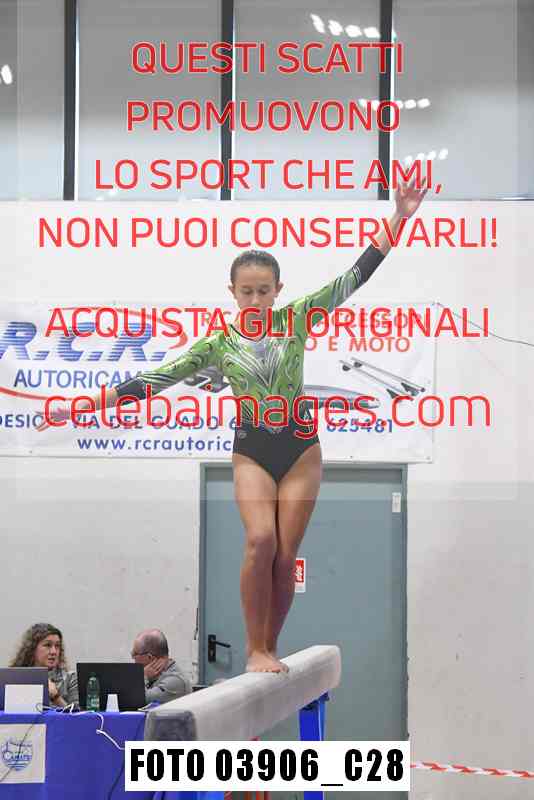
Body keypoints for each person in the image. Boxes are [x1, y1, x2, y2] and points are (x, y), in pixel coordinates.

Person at [39, 180, 427, 673]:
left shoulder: (297, 318)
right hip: (253, 449)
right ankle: (254, 648)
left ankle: (269, 645)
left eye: (264, 291)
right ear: (233, 292)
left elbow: (355, 276)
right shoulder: (218, 343)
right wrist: (83, 406)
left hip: (301, 447)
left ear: (278, 290)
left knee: (285, 556)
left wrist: (400, 215)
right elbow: (155, 379)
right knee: (260, 540)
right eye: (247, 292)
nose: (256, 299)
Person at [9, 623, 79, 707]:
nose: (54, 652)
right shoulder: (13, 677)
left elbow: (78, 714)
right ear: (32, 649)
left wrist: (56, 697)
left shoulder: (70, 678)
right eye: (47, 645)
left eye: (57, 646)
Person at [131, 629, 190, 705]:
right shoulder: (154, 676)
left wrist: (142, 676)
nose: (132, 657)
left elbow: (136, 700)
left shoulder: (176, 681)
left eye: (134, 654)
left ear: (149, 657)